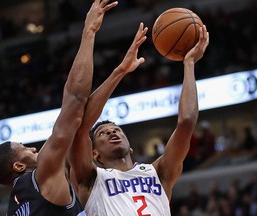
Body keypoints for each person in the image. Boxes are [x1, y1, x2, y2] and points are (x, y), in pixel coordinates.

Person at [0, 0, 118, 215]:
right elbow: (75, 103)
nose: (34, 149)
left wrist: (118, 73)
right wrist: (89, 31)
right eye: (25, 148)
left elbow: (80, 126)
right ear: (19, 166)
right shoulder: (42, 175)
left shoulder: (16, 206)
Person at [69, 24, 209, 215]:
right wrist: (120, 71)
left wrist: (189, 63)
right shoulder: (90, 179)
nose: (112, 131)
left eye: (117, 129)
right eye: (102, 133)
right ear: (95, 154)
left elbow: (186, 123)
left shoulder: (158, 172)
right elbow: (79, 128)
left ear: (131, 146)